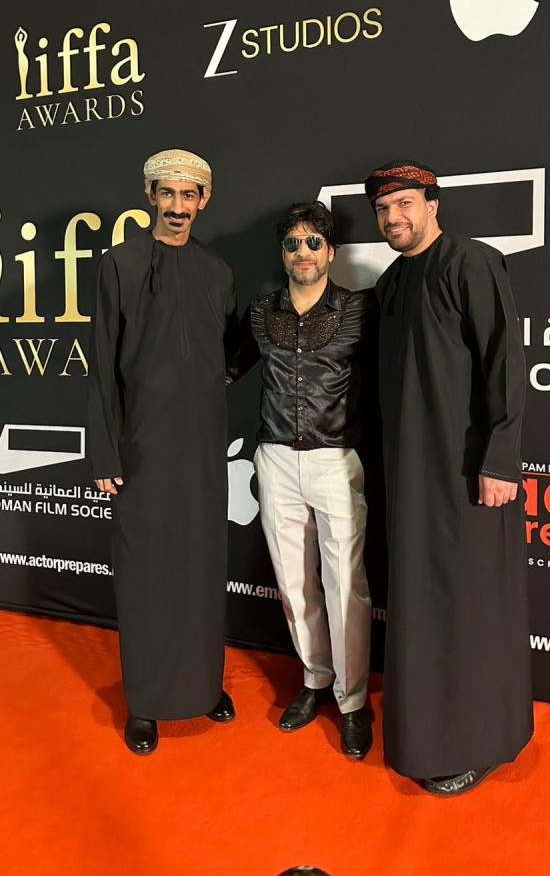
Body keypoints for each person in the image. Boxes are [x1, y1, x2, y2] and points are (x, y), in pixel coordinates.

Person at [365, 160, 533, 796]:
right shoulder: (391, 282)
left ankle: (481, 742)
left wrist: (500, 461)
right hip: (411, 479)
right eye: (383, 209)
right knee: (423, 607)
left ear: (432, 205)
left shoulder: (472, 263)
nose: (393, 218)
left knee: (470, 605)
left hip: (468, 474)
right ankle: (429, 735)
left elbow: (505, 364)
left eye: (404, 204)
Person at [88, 149, 237, 755]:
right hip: (141, 447)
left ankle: (204, 685)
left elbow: (224, 353)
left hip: (201, 449)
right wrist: (105, 454)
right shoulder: (118, 264)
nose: (178, 206)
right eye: (168, 193)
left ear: (204, 201)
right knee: (148, 573)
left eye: (189, 195)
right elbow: (102, 365)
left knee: (200, 566)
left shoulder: (218, 271)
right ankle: (146, 701)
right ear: (150, 196)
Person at [229, 202, 374, 759]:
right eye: (293, 243)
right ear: (282, 253)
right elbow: (225, 367)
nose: (303, 252)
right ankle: (315, 679)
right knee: (293, 584)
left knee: (345, 585)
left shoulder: (358, 310)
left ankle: (353, 700)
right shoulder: (261, 311)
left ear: (331, 252)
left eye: (314, 242)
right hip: (274, 459)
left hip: (336, 459)